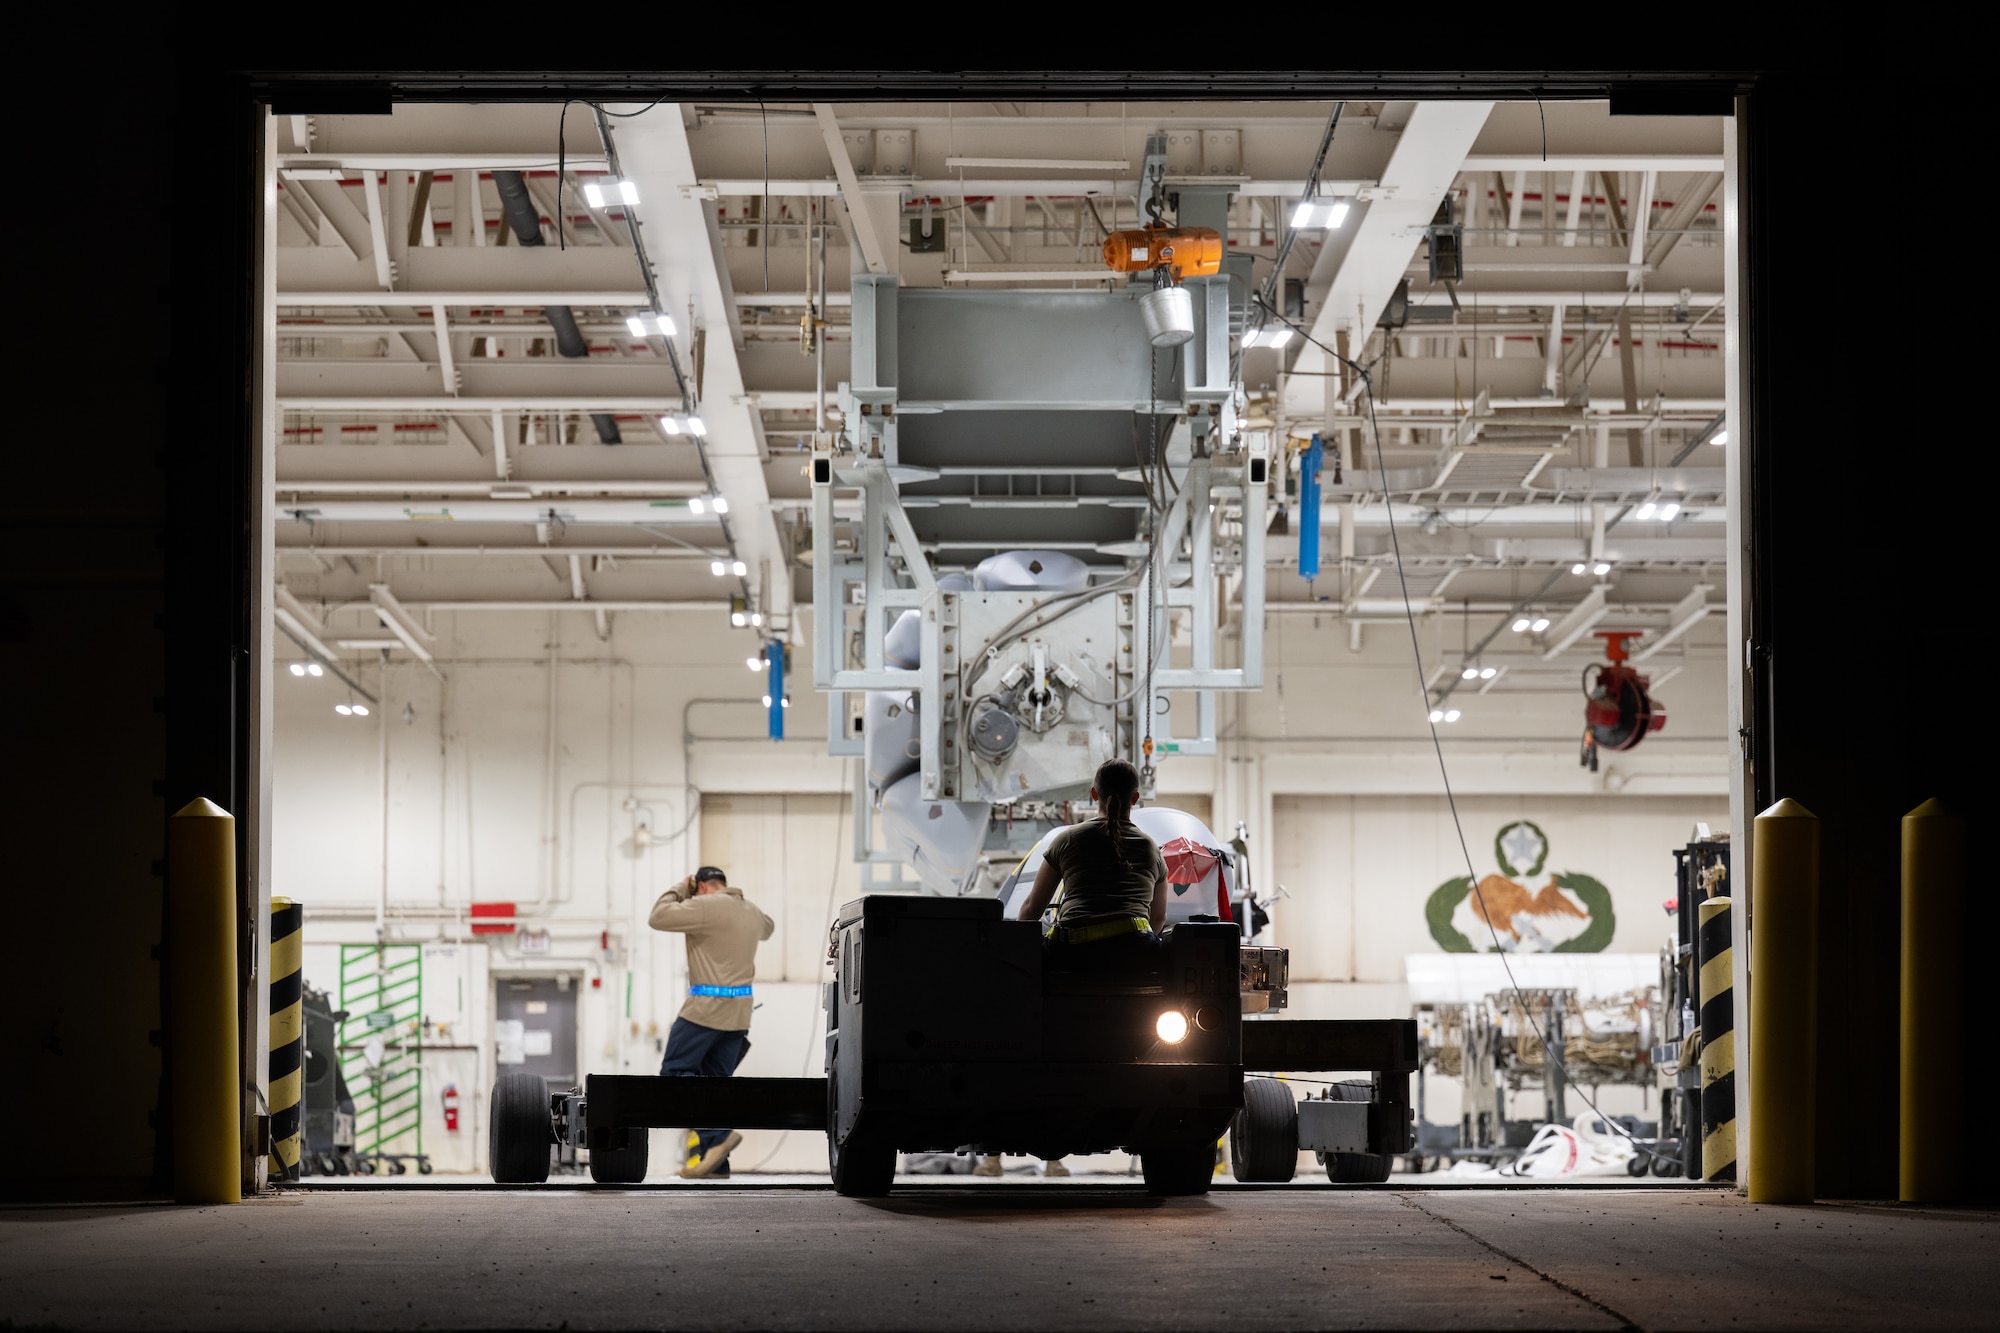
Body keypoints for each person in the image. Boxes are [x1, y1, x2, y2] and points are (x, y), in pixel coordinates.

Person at [984, 759, 1167, 1179]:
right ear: (1137, 799)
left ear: (1093, 795)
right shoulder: (1151, 849)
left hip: (1074, 957)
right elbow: (1157, 921)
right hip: (1137, 958)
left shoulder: (1068, 840)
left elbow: (1031, 910)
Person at [648, 865, 774, 1179]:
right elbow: (768, 928)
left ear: (701, 887)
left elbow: (658, 916)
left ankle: (717, 1135)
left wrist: (681, 887)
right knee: (714, 1084)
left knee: (675, 1075)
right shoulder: (751, 911)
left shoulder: (704, 905)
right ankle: (717, 1163)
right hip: (739, 1016)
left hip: (705, 1011)